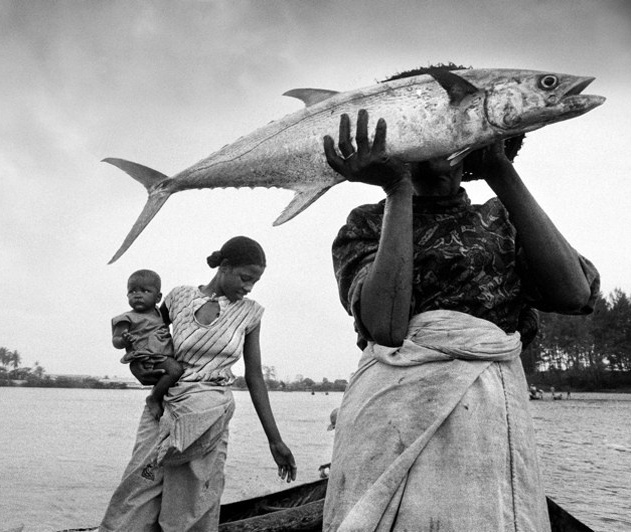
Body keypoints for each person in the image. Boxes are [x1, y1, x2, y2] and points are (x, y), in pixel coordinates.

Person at [320, 66, 600, 531]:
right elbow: (386, 328)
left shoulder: (502, 220)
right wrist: (398, 189)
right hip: (389, 413)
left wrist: (499, 168)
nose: (441, 159)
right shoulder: (367, 224)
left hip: (487, 418)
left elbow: (573, 294)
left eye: (453, 144)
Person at [99, 236, 297, 531]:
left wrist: (275, 439)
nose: (248, 287)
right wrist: (136, 365)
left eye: (254, 282)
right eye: (245, 278)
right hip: (165, 406)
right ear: (225, 267)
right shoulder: (179, 297)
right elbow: (147, 330)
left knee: (192, 504)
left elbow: (254, 376)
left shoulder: (250, 313)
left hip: (209, 412)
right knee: (137, 489)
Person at [111, 269, 183, 419]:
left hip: (161, 355)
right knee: (175, 370)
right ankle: (154, 398)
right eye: (132, 291)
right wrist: (124, 340)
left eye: (145, 291)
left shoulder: (158, 313)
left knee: (176, 374)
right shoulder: (126, 318)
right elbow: (116, 341)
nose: (137, 295)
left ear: (158, 297)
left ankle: (164, 400)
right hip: (146, 358)